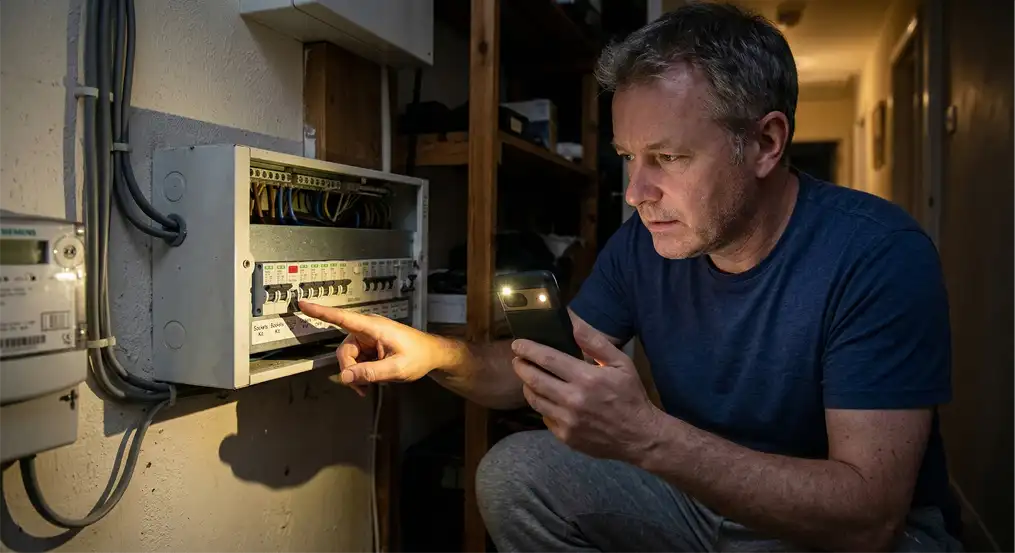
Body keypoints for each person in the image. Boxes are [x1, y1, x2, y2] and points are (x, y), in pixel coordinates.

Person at [300, 3, 963, 552]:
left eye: (667, 157)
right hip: (702, 501)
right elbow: (540, 366)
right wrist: (431, 354)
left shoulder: (877, 254)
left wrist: (646, 435)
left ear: (765, 143)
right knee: (515, 471)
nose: (636, 191)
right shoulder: (643, 246)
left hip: (846, 532)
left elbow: (868, 515)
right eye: (626, 157)